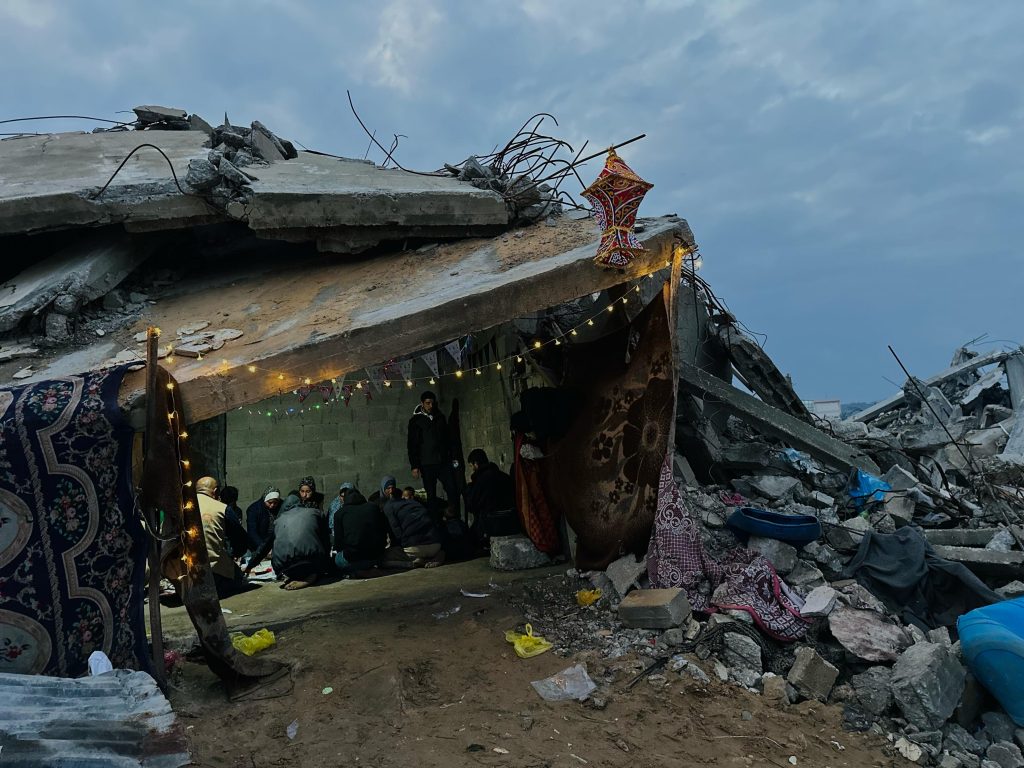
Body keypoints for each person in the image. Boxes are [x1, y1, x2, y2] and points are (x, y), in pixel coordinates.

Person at [245, 493, 331, 590]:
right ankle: (310, 578)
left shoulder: (278, 521)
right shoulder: (315, 513)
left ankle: (296, 577)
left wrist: (249, 566)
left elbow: (264, 548)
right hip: (309, 563)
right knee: (320, 563)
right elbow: (326, 541)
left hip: (285, 568)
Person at [407, 391, 460, 518]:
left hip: (442, 461)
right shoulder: (416, 421)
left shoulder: (439, 417)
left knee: (452, 489)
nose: (430, 406)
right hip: (427, 463)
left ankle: (453, 517)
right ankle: (435, 521)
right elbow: (412, 444)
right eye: (427, 403)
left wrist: (452, 457)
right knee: (430, 494)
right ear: (422, 404)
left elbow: (447, 439)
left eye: (432, 403)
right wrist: (415, 465)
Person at [196, 476, 249, 598]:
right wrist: (235, 554)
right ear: (215, 492)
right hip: (212, 570)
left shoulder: (181, 507)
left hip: (183, 571)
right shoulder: (221, 508)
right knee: (238, 577)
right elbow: (240, 538)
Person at [381, 476, 445, 568]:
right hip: (436, 545)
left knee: (383, 559)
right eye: (388, 488)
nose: (390, 491)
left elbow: (397, 533)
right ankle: (434, 555)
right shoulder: (414, 502)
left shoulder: (388, 506)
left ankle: (413, 562)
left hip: (415, 547)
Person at [463, 448, 518, 543]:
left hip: (492, 525)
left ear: (476, 464)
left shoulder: (481, 481)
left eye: (471, 466)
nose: (472, 469)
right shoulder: (503, 476)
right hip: (512, 522)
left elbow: (471, 506)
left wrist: (470, 488)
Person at [333, 486, 388, 575]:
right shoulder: (373, 507)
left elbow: (338, 544)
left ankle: (359, 571)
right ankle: (366, 569)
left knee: (337, 560)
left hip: (353, 557)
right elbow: (383, 531)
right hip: (377, 555)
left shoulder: (339, 514)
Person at [245, 487, 282, 555]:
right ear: (265, 500)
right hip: (259, 544)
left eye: (275, 503)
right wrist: (264, 548)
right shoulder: (254, 509)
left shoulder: (281, 506)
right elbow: (252, 532)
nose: (272, 505)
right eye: (270, 502)